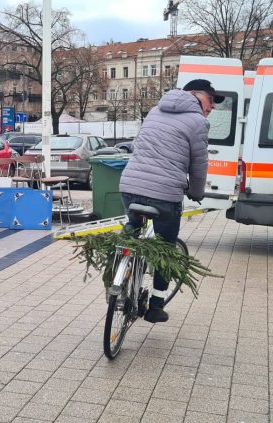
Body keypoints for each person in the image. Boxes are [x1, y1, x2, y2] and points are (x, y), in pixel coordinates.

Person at [118, 79, 221, 323]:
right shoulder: (198, 122)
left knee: (132, 228)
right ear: (195, 95)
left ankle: (122, 271)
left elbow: (137, 144)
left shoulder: (154, 111)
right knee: (166, 246)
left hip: (129, 184)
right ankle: (155, 305)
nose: (213, 106)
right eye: (210, 99)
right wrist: (197, 192)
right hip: (165, 193)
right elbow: (199, 163)